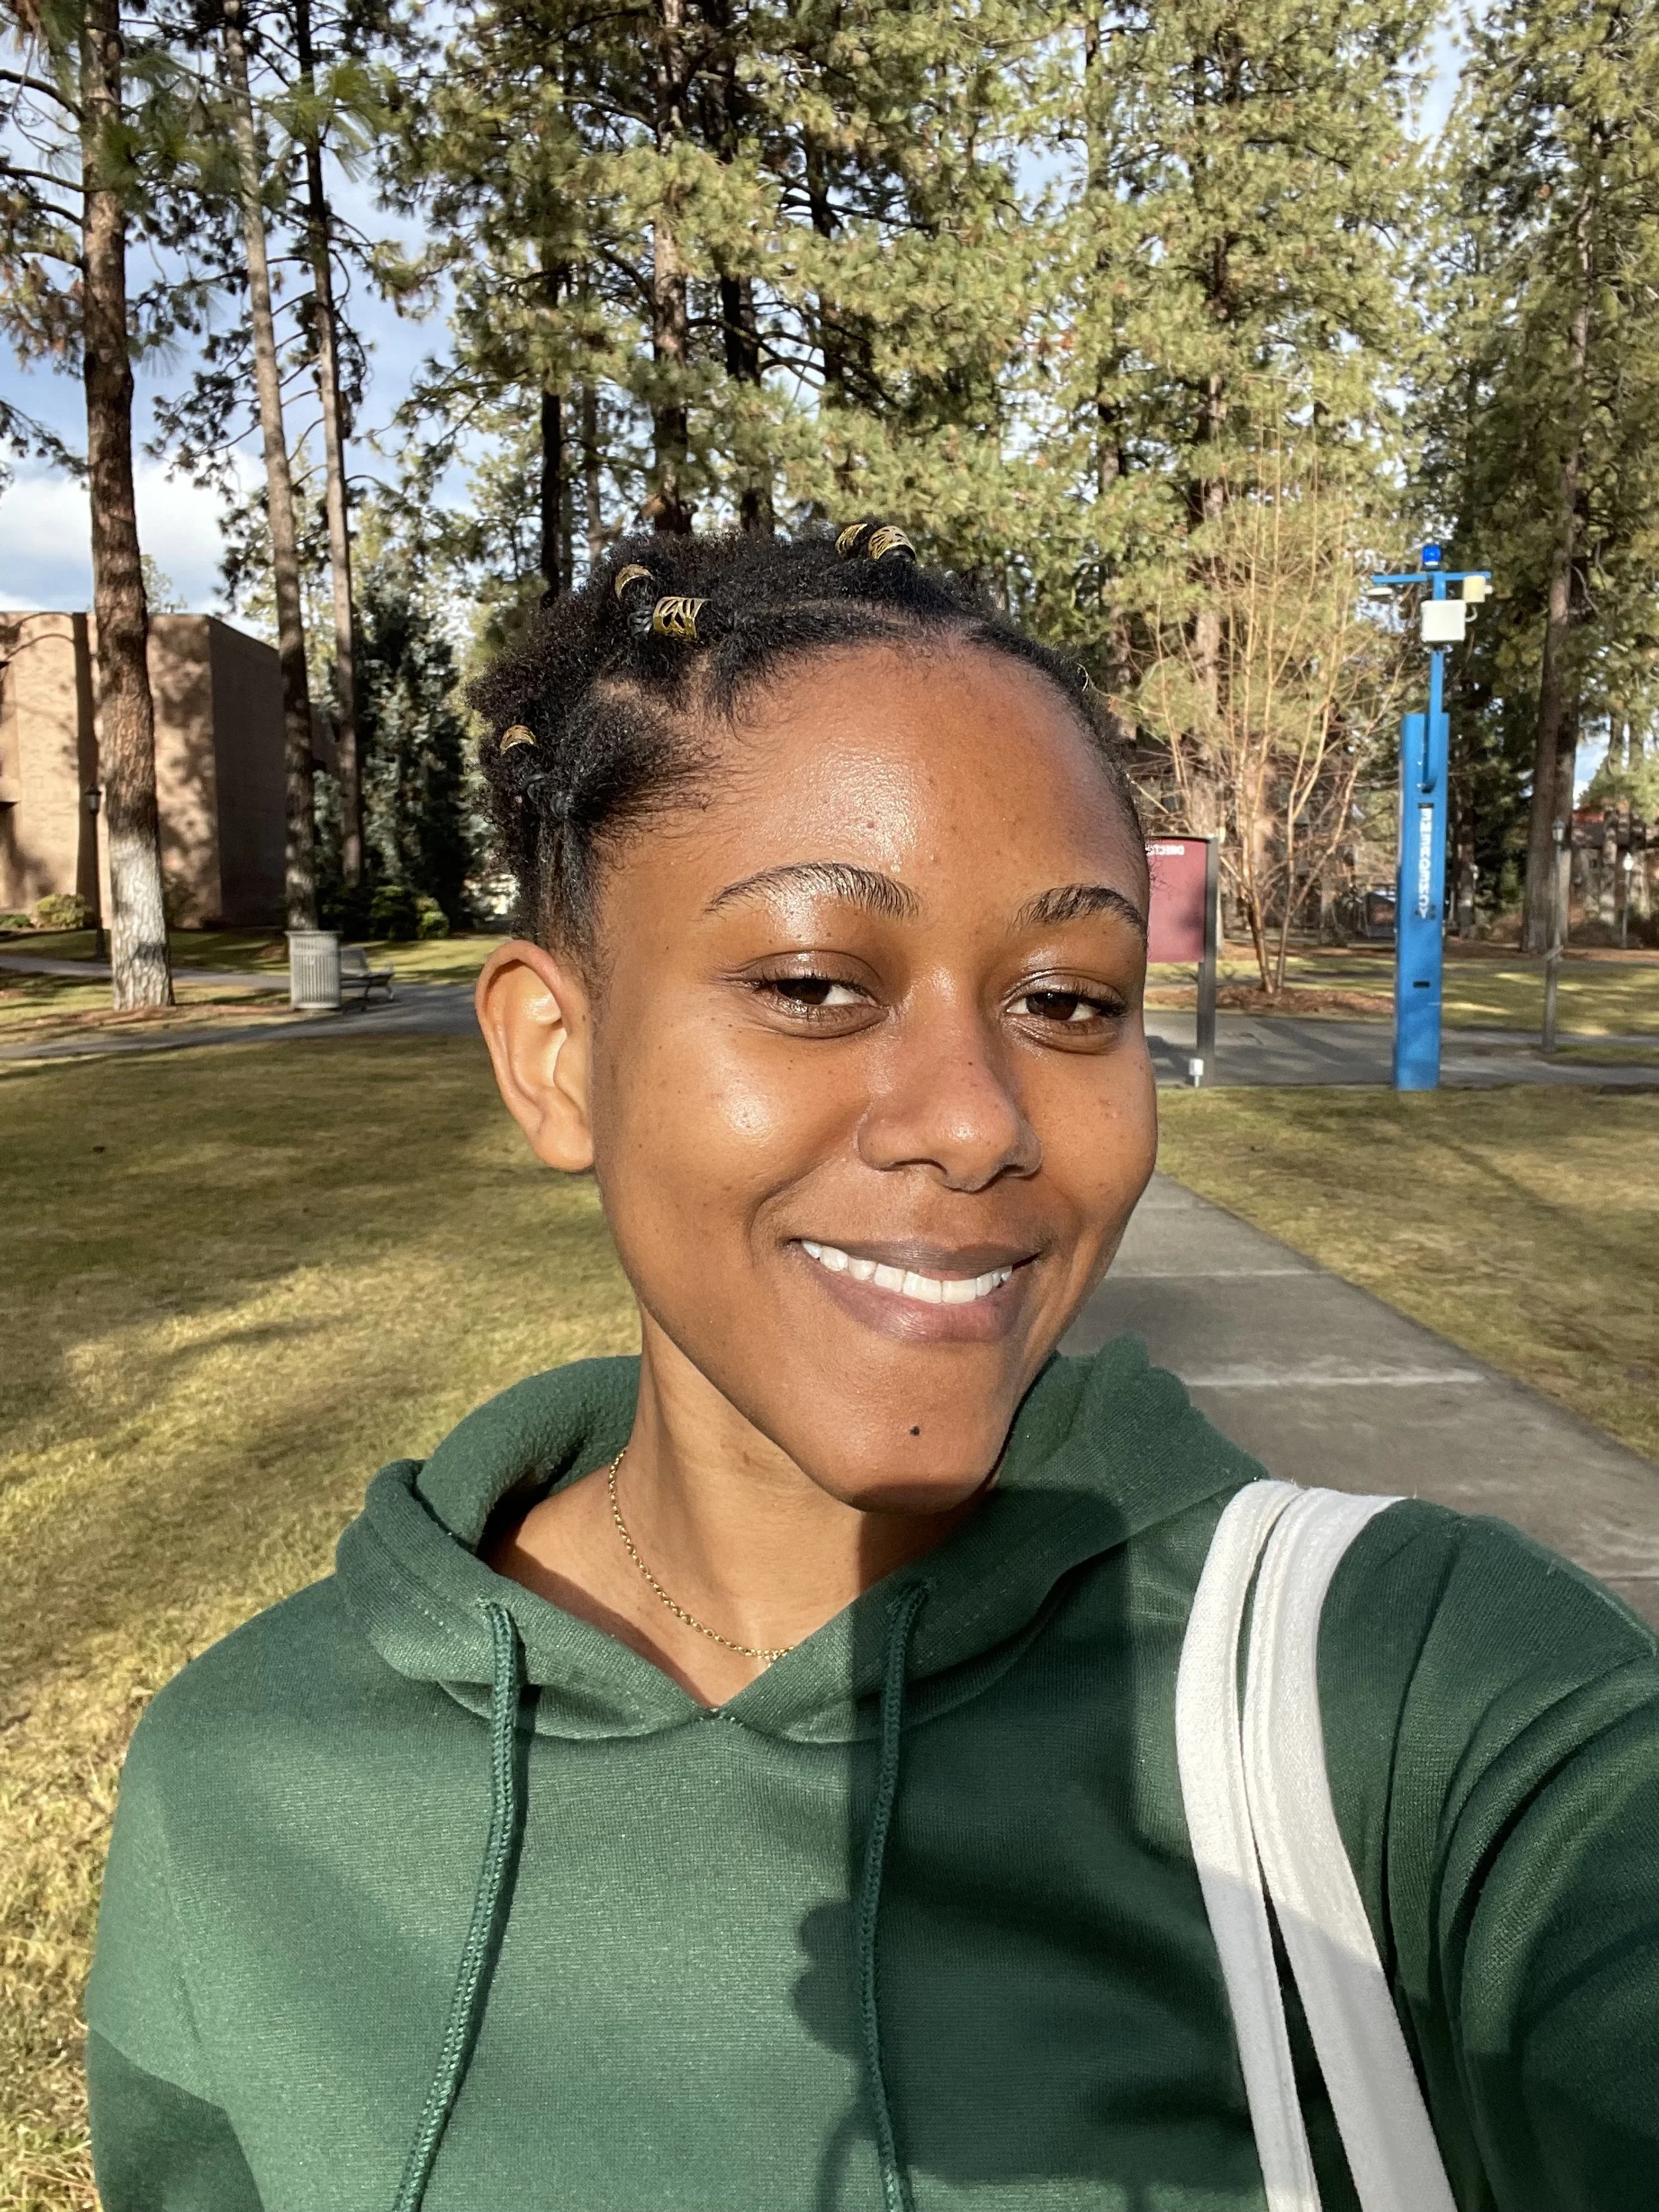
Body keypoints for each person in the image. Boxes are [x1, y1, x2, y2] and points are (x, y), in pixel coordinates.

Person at [86, 525, 1659, 2212]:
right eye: (815, 983)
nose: (978, 1120)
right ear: (556, 1059)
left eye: (1067, 1002)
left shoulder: (1407, 1694)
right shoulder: (242, 1782)